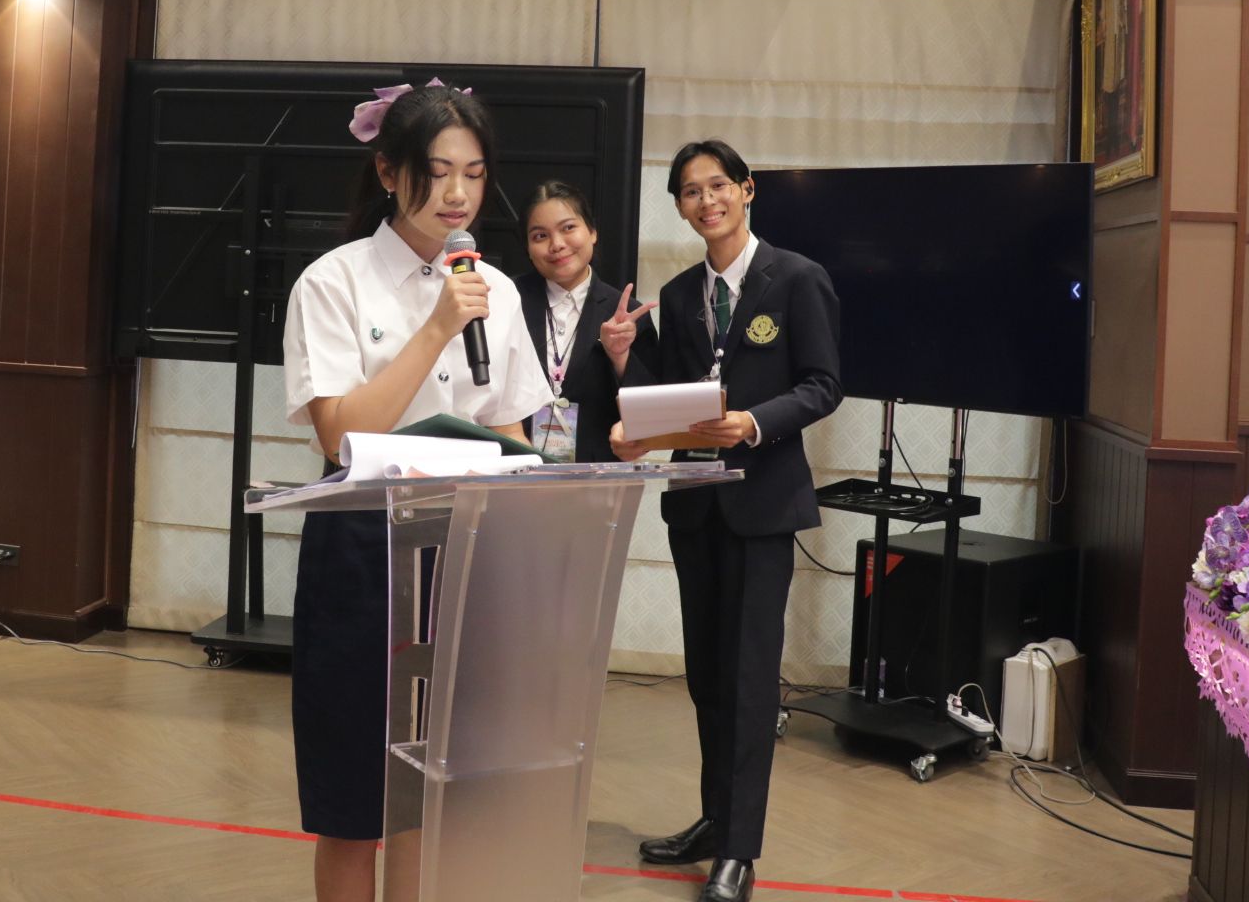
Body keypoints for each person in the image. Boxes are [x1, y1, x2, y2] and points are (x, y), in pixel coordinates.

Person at [282, 82, 550, 902]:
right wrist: (436, 326)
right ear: (389, 172)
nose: (457, 194)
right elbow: (338, 435)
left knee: (432, 798)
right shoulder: (333, 282)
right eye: (436, 173)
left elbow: (512, 433)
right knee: (353, 801)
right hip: (365, 551)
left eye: (474, 173)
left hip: (469, 553)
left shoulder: (498, 290)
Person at [611, 138, 843, 902]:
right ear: (679, 207)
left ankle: (740, 851)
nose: (705, 201)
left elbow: (823, 385)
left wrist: (752, 422)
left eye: (718, 185)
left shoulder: (797, 277)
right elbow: (663, 397)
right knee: (708, 677)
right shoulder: (680, 295)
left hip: (763, 506)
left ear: (747, 190)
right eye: (690, 191)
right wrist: (623, 359)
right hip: (695, 506)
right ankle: (717, 820)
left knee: (747, 683)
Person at [515, 180, 659, 464]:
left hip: (600, 473)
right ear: (528, 248)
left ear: (592, 232)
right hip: (517, 469)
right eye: (540, 236)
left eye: (568, 228)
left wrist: (619, 357)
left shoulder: (627, 313)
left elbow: (649, 412)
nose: (557, 244)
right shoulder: (507, 300)